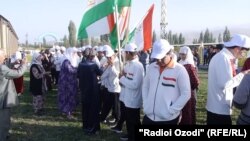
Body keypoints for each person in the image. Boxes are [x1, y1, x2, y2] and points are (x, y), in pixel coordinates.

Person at [142, 39, 191, 125]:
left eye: (162, 58)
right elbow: (145, 86)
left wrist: (171, 111)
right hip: (149, 116)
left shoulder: (179, 70)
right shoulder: (151, 67)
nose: (159, 61)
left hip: (168, 119)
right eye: (157, 58)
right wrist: (146, 103)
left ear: (170, 53)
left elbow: (186, 93)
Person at [206, 34, 250, 125]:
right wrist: (243, 75)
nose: (245, 54)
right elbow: (225, 84)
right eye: (245, 51)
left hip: (217, 107)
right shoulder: (223, 59)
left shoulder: (223, 57)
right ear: (238, 48)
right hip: (219, 109)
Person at [119, 43, 144, 141]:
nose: (124, 55)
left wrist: (122, 79)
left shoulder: (138, 66)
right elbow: (125, 77)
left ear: (129, 53)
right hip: (127, 97)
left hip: (133, 99)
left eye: (125, 53)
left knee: (134, 121)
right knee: (129, 120)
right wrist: (122, 76)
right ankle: (130, 135)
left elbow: (135, 85)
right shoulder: (128, 64)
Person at [0, 49, 27, 141]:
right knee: (4, 121)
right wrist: (23, 65)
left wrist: (13, 63)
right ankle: (3, 136)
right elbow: (17, 73)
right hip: (3, 98)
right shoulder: (2, 68)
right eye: (3, 55)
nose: (5, 57)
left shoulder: (2, 67)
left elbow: (5, 68)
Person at [78, 49, 102, 135]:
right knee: (93, 109)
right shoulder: (94, 65)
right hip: (93, 90)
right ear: (91, 56)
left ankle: (86, 126)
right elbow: (100, 73)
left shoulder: (80, 64)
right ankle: (93, 127)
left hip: (84, 89)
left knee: (85, 108)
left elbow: (78, 75)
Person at [178, 46, 199, 124]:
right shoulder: (179, 63)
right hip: (179, 91)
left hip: (188, 91)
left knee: (188, 111)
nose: (182, 56)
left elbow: (195, 81)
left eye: (184, 54)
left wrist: (190, 87)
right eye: (181, 54)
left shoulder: (190, 65)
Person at [58, 48, 78, 119]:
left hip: (70, 83)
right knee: (68, 97)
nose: (75, 54)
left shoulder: (70, 60)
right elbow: (71, 70)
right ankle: (68, 113)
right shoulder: (66, 61)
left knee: (70, 97)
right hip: (67, 84)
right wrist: (80, 69)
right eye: (74, 53)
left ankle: (66, 111)